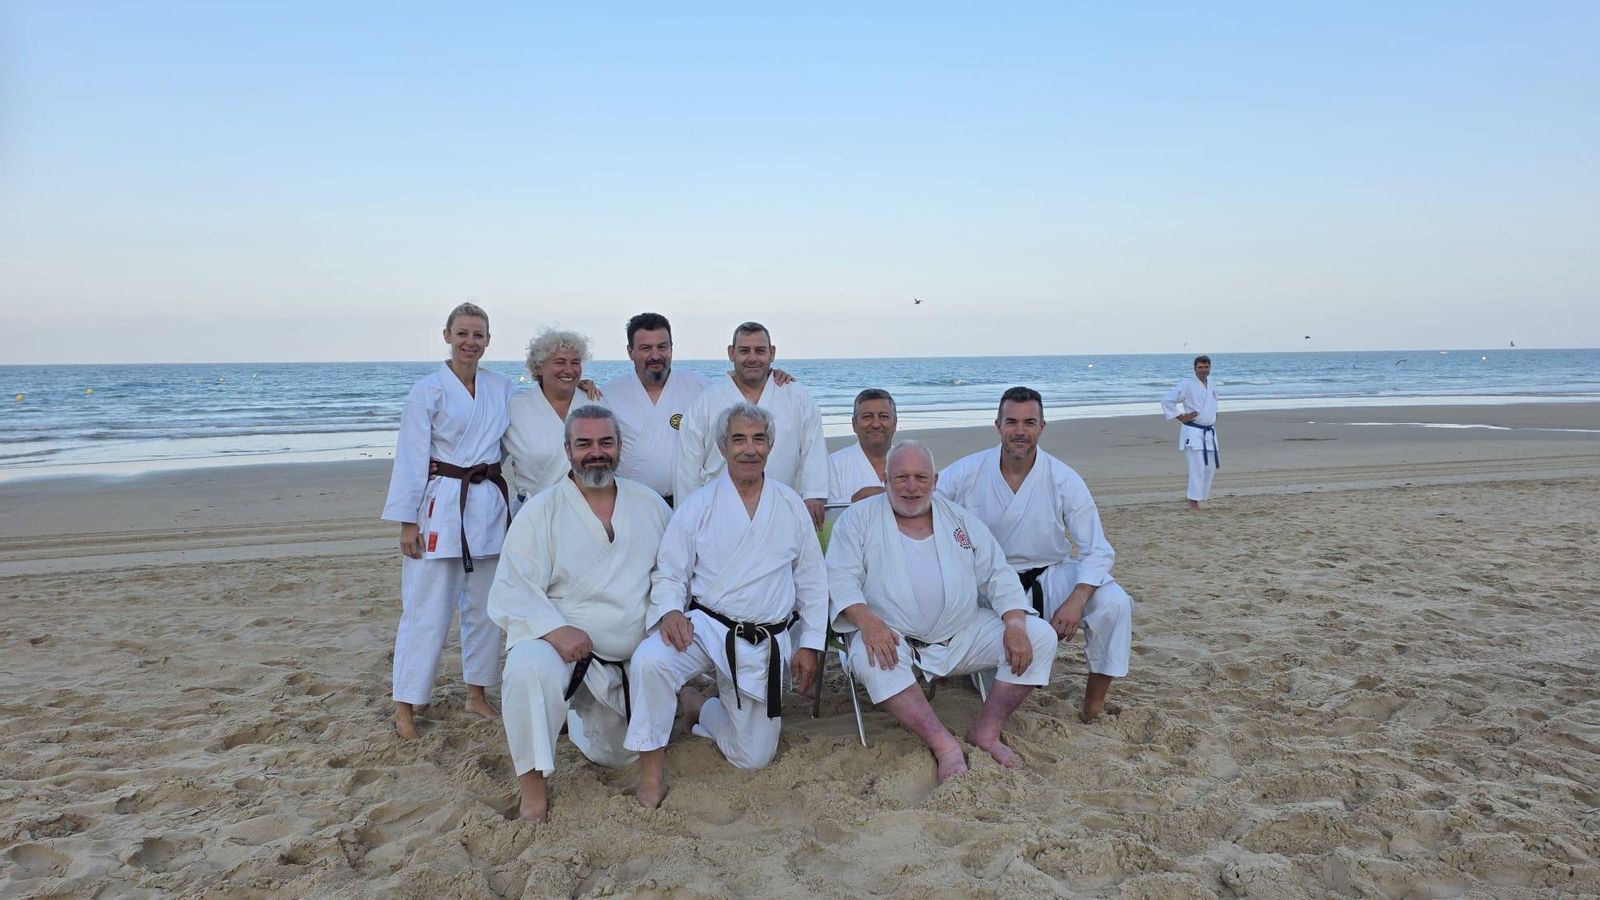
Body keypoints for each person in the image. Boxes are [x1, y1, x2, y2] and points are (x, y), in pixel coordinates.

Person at [625, 402, 828, 807]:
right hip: (706, 628)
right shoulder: (698, 505)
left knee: (753, 758)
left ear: (770, 446)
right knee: (650, 660)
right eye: (739, 439)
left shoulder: (790, 505)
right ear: (722, 447)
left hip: (762, 640)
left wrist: (812, 644)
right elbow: (669, 572)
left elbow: (812, 579)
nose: (748, 449)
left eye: (758, 439)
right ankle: (650, 774)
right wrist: (669, 611)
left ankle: (699, 707)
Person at [826, 441, 1057, 779]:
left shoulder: (959, 518)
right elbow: (839, 577)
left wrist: (1015, 622)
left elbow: (997, 572)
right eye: (901, 477)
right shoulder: (857, 520)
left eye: (920, 477)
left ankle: (986, 732)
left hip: (963, 631)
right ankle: (943, 744)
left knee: (1041, 638)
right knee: (872, 661)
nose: (911, 486)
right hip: (893, 634)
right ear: (886, 481)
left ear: (934, 480)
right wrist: (868, 623)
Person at [486, 405, 672, 821]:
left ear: (620, 448)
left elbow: (672, 573)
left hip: (628, 655)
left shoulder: (650, 505)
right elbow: (513, 585)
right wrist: (555, 629)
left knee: (614, 757)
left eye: (606, 442)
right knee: (525, 669)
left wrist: (666, 615)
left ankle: (579, 714)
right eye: (584, 444)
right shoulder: (541, 510)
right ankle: (533, 793)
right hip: (563, 645)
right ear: (567, 449)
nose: (596, 453)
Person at [938, 387, 1135, 724]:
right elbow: (924, 510)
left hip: (1050, 576)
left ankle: (1093, 704)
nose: (1020, 431)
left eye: (1029, 422)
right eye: (1011, 421)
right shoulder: (964, 473)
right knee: (991, 676)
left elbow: (1096, 548)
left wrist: (1077, 597)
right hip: (987, 586)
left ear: (1042, 427)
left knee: (1115, 603)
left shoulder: (1063, 478)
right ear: (997, 424)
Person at [381, 302, 512, 739]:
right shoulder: (427, 391)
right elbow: (412, 456)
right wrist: (406, 520)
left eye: (478, 335)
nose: (470, 342)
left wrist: (581, 390)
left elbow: (534, 424)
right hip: (441, 504)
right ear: (447, 336)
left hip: (488, 509)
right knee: (426, 609)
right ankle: (406, 704)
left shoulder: (502, 388)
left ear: (489, 340)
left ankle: (477, 693)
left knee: (485, 610)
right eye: (463, 334)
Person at [604, 312, 799, 506]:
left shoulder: (700, 388)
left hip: (686, 499)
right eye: (646, 348)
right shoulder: (609, 395)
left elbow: (739, 391)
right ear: (630, 351)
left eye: (662, 347)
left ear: (671, 348)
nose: (656, 355)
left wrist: (768, 376)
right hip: (631, 504)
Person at [674, 322, 828, 528]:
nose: (753, 358)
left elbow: (814, 446)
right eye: (744, 351)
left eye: (760, 351)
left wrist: (814, 494)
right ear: (731, 353)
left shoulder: (796, 395)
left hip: (780, 512)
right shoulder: (707, 401)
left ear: (772, 354)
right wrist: (688, 515)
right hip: (717, 515)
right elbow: (687, 462)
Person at [502, 328, 604, 512]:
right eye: (560, 362)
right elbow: (486, 457)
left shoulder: (596, 403)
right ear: (539, 367)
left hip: (589, 511)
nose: (569, 369)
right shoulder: (514, 409)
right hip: (533, 515)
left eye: (575, 362)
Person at [1160, 355, 1220, 509]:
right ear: (1194, 369)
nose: (1203, 370)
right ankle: (1192, 500)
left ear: (1210, 368)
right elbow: (1167, 400)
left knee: (1210, 467)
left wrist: (1213, 415)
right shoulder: (1187, 384)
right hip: (1193, 432)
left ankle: (1201, 496)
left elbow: (1212, 404)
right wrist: (1181, 417)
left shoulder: (1212, 384)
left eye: (1206, 367)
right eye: (1200, 367)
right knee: (1198, 466)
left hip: (1209, 432)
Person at [827, 389, 897, 505]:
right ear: (854, 424)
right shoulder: (834, 464)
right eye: (867, 417)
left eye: (883, 416)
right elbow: (824, 517)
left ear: (895, 424)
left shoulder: (909, 462)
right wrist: (855, 499)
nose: (875, 424)